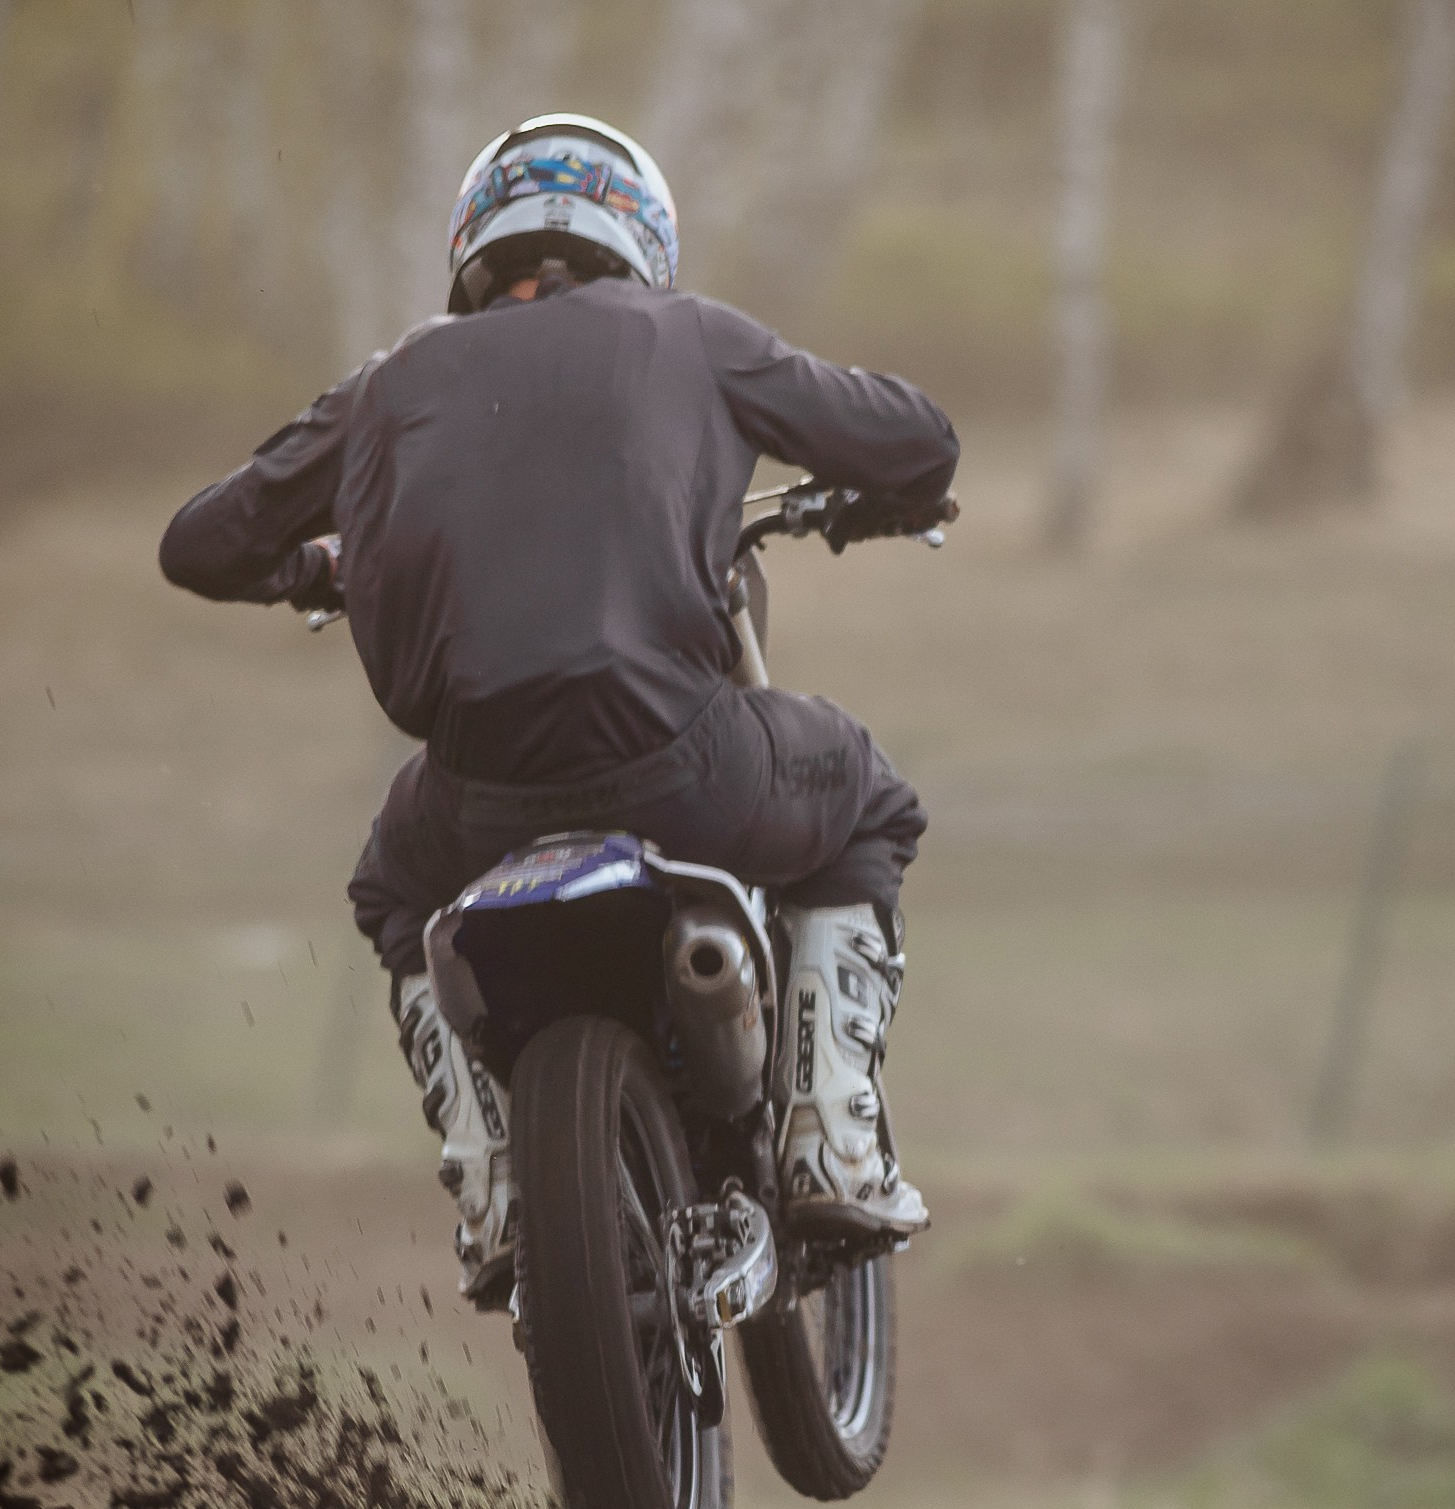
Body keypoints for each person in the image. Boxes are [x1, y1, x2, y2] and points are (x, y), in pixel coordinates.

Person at [158, 115, 956, 1302]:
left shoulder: (389, 384)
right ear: (636, 234)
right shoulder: (690, 336)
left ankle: (493, 1179)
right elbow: (916, 436)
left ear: (477, 247)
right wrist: (880, 494)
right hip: (689, 771)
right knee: (868, 800)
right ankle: (831, 1135)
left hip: (473, 809)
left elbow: (199, 541)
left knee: (390, 886)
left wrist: (311, 570)